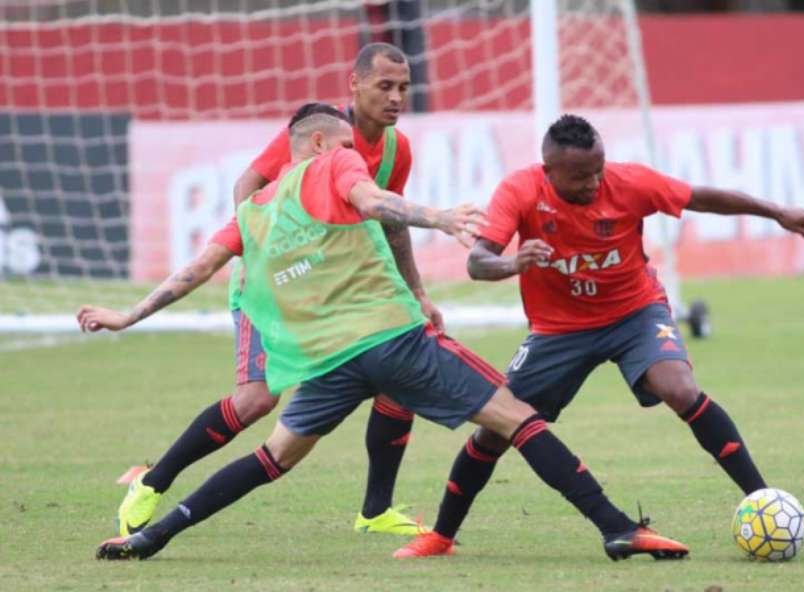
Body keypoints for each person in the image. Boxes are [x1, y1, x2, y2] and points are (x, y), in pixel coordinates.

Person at [92, 108, 689, 563]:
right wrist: (439, 217)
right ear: (320, 143)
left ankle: (154, 534)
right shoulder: (337, 162)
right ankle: (616, 527)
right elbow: (375, 200)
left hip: (329, 363)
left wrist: (126, 317)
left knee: (274, 457)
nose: (358, 152)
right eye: (348, 143)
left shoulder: (251, 212)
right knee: (519, 418)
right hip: (394, 342)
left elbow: (195, 272)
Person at [393, 113, 804, 558]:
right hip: (559, 331)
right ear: (548, 170)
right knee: (497, 428)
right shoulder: (520, 190)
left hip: (634, 313)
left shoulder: (630, 183)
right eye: (580, 176)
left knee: (680, 388)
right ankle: (441, 536)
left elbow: (701, 197)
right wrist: (513, 264)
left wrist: (776, 211)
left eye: (599, 168)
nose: (594, 182)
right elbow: (478, 262)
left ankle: (764, 501)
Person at [83, 43, 434, 539]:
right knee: (255, 401)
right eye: (385, 86)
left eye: (403, 87)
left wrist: (415, 291)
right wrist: (263, 253)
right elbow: (248, 186)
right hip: (272, 283)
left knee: (400, 370)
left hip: (332, 292)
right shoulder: (319, 133)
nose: (396, 97)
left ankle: (375, 510)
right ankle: (152, 482)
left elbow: (391, 222)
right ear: (355, 85)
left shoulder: (397, 149)